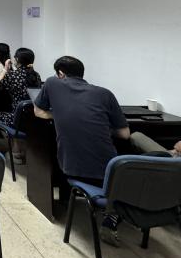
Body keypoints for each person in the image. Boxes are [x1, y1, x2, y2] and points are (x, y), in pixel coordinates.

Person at [34, 56, 129, 245]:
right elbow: (125, 134)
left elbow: (38, 111)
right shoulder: (105, 94)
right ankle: (112, 214)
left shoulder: (52, 83)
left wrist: (60, 115)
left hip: (71, 167)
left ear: (60, 73)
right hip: (110, 171)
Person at [0, 48, 42, 162]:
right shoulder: (36, 75)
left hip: (18, 118)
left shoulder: (13, 75)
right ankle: (23, 150)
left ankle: (16, 151)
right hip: (34, 118)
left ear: (16, 60)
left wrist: (5, 69)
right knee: (18, 122)